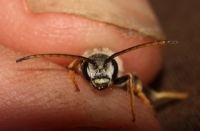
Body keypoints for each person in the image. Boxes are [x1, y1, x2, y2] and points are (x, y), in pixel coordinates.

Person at [0, 0, 163, 130]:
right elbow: (74, 64)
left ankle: (150, 97)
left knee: (131, 78)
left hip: (143, 94)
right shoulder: (78, 64)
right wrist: (71, 74)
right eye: (96, 71)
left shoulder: (120, 72)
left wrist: (135, 107)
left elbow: (130, 79)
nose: (100, 75)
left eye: (104, 70)